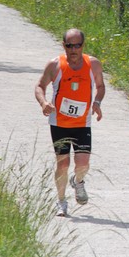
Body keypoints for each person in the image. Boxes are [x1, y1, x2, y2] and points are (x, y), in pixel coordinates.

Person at [35, 28, 105, 216]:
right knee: (63, 164)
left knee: (83, 164)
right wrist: (43, 103)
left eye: (77, 45)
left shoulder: (93, 65)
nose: (73, 50)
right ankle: (61, 201)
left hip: (82, 123)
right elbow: (40, 86)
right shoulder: (55, 65)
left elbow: (100, 86)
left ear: (83, 45)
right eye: (69, 45)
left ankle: (79, 181)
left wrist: (97, 102)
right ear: (63, 45)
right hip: (59, 123)